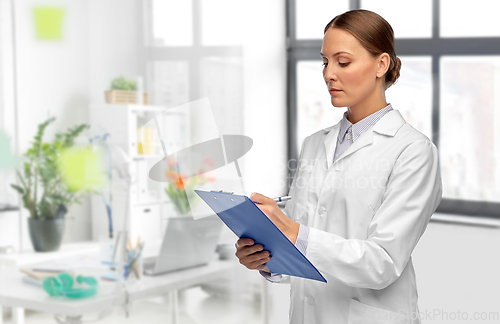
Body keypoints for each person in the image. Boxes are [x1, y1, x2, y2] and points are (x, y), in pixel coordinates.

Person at [235, 9, 442, 324]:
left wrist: (291, 231)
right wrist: (267, 259)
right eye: (325, 61)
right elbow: (306, 250)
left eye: (343, 62)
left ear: (381, 64)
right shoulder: (314, 144)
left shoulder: (413, 151)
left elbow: (382, 262)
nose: (329, 73)